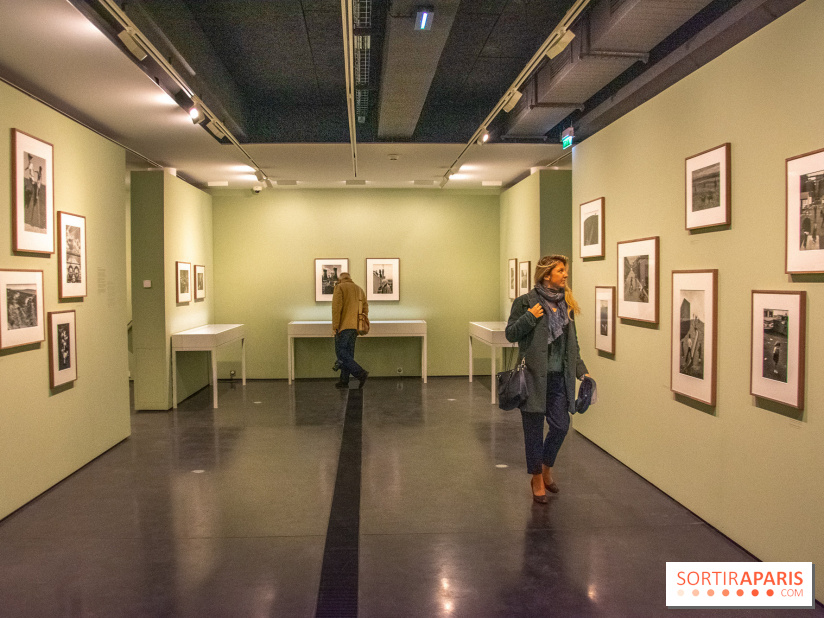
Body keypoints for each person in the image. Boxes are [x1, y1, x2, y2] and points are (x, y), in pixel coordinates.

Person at [505, 255, 590, 504]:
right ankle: (536, 478)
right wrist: (530, 316)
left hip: (558, 379)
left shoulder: (567, 304)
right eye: (561, 271)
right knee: (532, 432)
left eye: (565, 270)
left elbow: (572, 345)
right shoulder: (525, 303)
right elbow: (511, 334)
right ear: (546, 275)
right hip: (532, 378)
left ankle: (546, 467)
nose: (565, 275)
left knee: (561, 426)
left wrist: (581, 370)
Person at [331, 272, 369, 389]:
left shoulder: (339, 288)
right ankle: (344, 381)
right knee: (349, 353)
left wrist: (335, 327)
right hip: (355, 327)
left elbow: (336, 309)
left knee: (341, 352)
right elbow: (365, 309)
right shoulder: (359, 289)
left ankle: (360, 373)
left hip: (343, 326)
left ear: (340, 279)